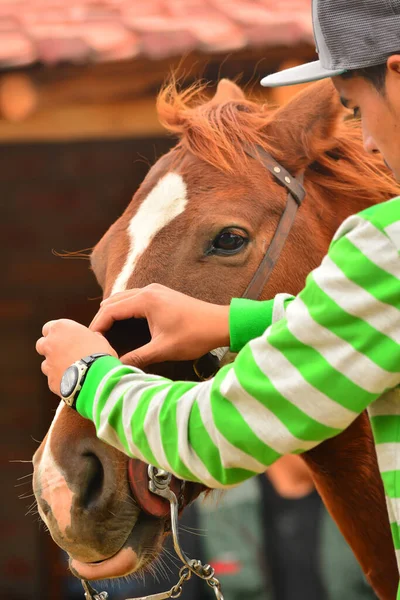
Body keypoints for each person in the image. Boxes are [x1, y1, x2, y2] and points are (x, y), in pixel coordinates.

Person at [36, 0, 400, 590]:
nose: (372, 145)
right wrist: (237, 322)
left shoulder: (388, 243)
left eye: (357, 108)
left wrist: (87, 377)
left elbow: (220, 436)